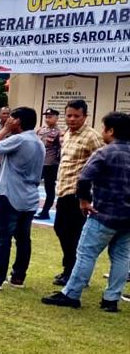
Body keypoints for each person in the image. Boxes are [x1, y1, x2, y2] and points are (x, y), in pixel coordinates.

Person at [42, 111, 130, 312]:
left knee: (86, 253)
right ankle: (111, 299)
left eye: (104, 128)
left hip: (103, 214)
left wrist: (84, 201)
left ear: (111, 130)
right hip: (127, 217)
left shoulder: (105, 153)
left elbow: (84, 178)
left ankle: (71, 294)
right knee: (121, 257)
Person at [0, 107, 43, 290]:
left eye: (11, 118)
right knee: (23, 238)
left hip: (11, 194)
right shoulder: (38, 141)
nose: (7, 121)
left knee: (3, 238)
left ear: (17, 121)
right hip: (30, 196)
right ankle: (18, 277)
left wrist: (4, 130)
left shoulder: (18, 139)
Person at [51, 99, 104, 287]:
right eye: (69, 115)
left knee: (74, 234)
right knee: (61, 229)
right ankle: (70, 269)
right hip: (64, 190)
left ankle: (74, 272)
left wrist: (90, 193)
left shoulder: (92, 137)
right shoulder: (67, 134)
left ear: (85, 116)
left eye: (76, 116)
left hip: (79, 193)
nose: (72, 119)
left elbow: (102, 163)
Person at [36, 108, 62, 221]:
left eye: (50, 117)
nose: (47, 119)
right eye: (46, 117)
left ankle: (45, 211)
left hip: (51, 164)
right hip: (38, 162)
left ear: (56, 118)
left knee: (49, 188)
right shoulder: (40, 130)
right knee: (32, 185)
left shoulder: (59, 132)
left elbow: (61, 149)